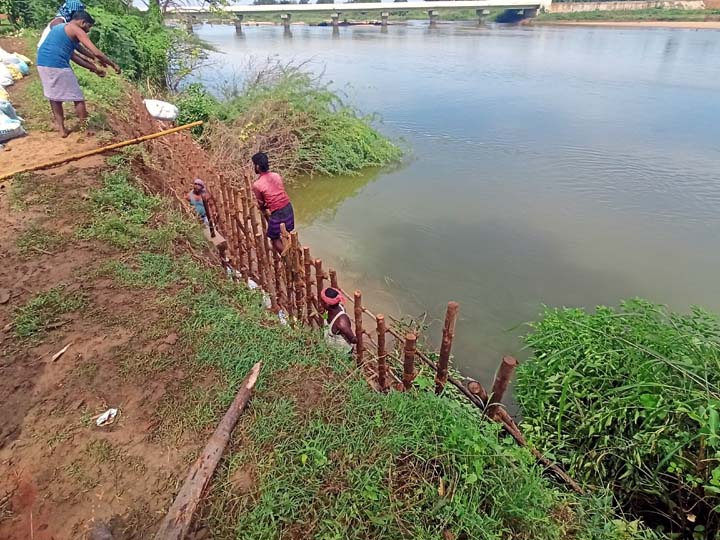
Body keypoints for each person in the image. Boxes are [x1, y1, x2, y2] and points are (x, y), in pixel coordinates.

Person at [36, 11, 119, 137]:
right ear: (82, 22)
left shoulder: (61, 28)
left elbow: (75, 55)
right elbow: (96, 52)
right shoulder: (76, 29)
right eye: (89, 26)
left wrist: (94, 67)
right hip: (57, 65)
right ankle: (85, 129)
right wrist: (113, 65)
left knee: (54, 98)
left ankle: (62, 130)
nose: (88, 30)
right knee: (78, 98)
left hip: (42, 63)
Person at [251, 152, 295, 253]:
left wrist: (263, 207)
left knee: (274, 239)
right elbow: (278, 193)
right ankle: (294, 252)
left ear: (257, 166)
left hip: (278, 213)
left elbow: (261, 203)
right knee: (287, 233)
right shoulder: (276, 175)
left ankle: (288, 258)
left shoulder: (257, 185)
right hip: (288, 208)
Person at [187, 179, 231, 270]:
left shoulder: (205, 195)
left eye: (198, 185)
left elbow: (211, 205)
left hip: (205, 218)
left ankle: (222, 257)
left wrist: (214, 212)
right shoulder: (189, 196)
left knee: (213, 235)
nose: (196, 186)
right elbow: (187, 205)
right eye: (195, 184)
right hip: (195, 219)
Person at [320, 287, 357, 354]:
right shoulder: (328, 311)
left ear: (327, 304)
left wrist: (359, 339)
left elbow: (353, 339)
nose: (320, 303)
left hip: (342, 352)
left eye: (322, 301)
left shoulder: (341, 323)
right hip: (332, 347)